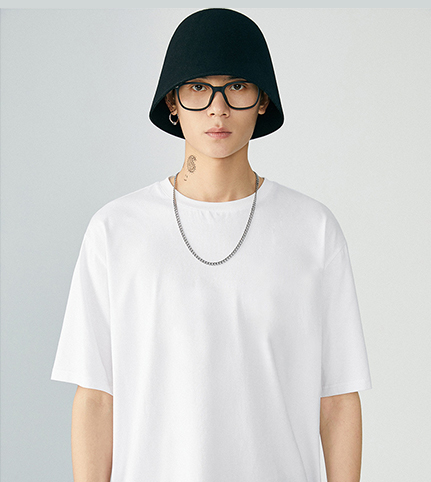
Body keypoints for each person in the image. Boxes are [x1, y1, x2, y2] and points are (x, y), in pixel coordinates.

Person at [51, 8, 372, 482]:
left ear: (262, 100)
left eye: (237, 86)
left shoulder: (313, 229)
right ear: (173, 102)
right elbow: (97, 398)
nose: (218, 109)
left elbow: (339, 398)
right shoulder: (116, 231)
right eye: (198, 88)